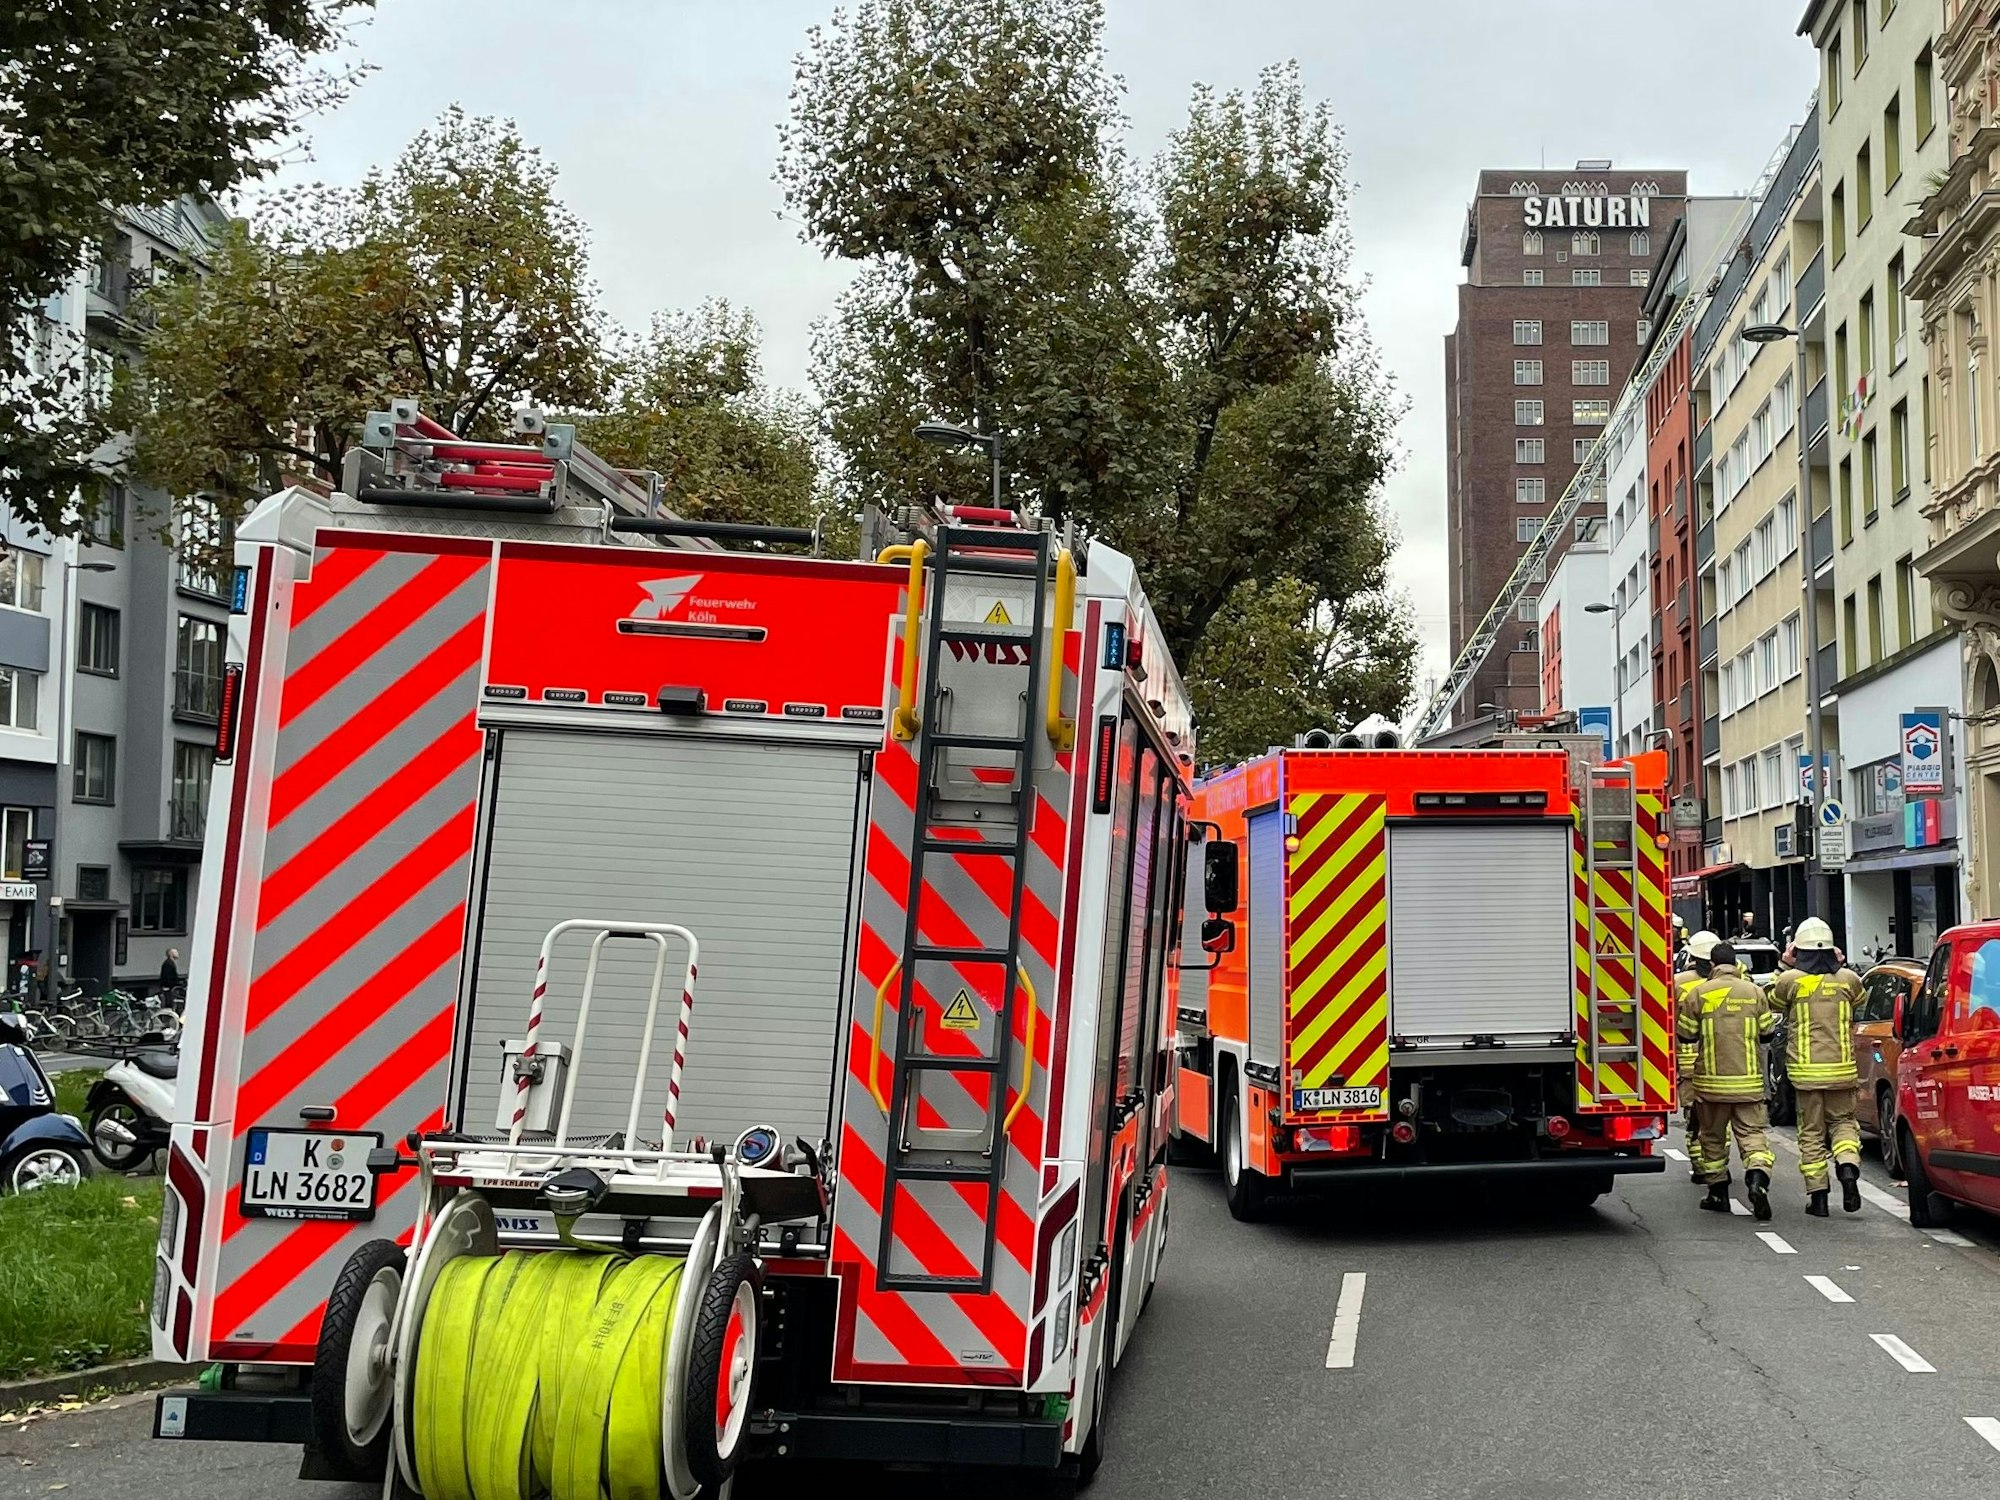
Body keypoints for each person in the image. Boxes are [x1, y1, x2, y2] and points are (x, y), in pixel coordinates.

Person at [1677, 939, 1779, 1219]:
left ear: (1712, 964)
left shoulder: (1699, 993)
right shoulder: (1755, 992)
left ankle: (1718, 1194)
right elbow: (1767, 1033)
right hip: (1748, 1084)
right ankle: (1757, 1180)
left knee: (1712, 1139)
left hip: (1711, 1086)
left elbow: (1686, 1035)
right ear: (1735, 964)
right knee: (1753, 1137)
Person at [1772, 917, 1864, 1216]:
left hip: (1806, 1074)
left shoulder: (1791, 980)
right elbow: (1859, 1000)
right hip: (1842, 1070)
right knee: (1843, 1124)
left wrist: (1784, 964)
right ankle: (1847, 1167)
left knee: (1811, 1133)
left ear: (1798, 950)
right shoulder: (1848, 979)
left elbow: (1773, 1001)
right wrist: (1840, 964)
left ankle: (1819, 1198)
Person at [1677, 931, 1721, 1184]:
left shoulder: (1678, 982)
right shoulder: (1732, 982)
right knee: (1718, 1119)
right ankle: (1719, 1164)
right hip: (1721, 1060)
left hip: (1688, 1064)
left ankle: (1700, 1166)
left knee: (1693, 1117)